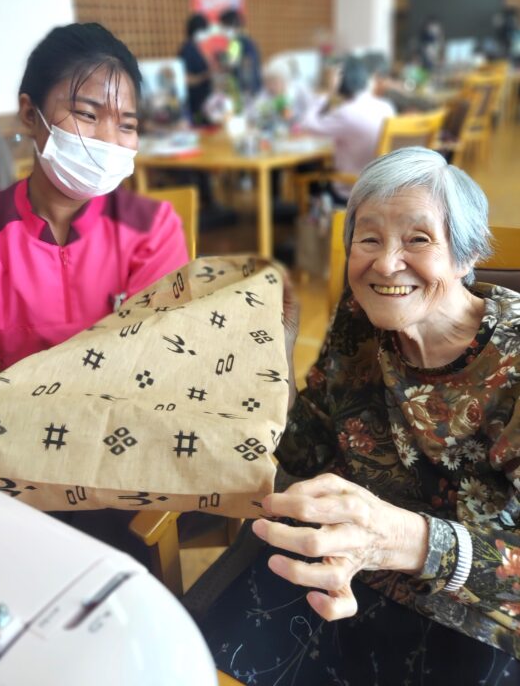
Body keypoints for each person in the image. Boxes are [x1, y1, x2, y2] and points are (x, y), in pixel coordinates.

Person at [193, 147, 520, 683]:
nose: (386, 264)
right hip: (339, 563)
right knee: (192, 657)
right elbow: (306, 452)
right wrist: (275, 357)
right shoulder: (360, 316)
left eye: (418, 239)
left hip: (470, 615)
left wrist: (401, 540)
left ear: (466, 256)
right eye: (368, 239)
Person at [0, 22, 189, 432]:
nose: (109, 140)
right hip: (20, 427)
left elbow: (154, 356)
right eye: (87, 114)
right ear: (31, 114)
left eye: (127, 125)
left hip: (124, 425)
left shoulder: (152, 229)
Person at [299, 56, 395, 203]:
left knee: (306, 170)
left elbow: (306, 124)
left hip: (351, 190)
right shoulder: (386, 108)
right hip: (381, 190)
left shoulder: (346, 113)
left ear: (340, 83)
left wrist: (329, 93)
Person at [177, 13, 213, 126]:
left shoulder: (196, 48)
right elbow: (185, 79)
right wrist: (205, 76)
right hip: (194, 102)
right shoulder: (187, 50)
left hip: (203, 100)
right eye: (204, 30)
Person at [218, 8, 262, 98]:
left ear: (232, 25)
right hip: (251, 87)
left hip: (246, 89)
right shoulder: (246, 39)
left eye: (223, 26)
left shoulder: (237, 41)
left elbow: (232, 62)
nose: (222, 29)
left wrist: (221, 58)